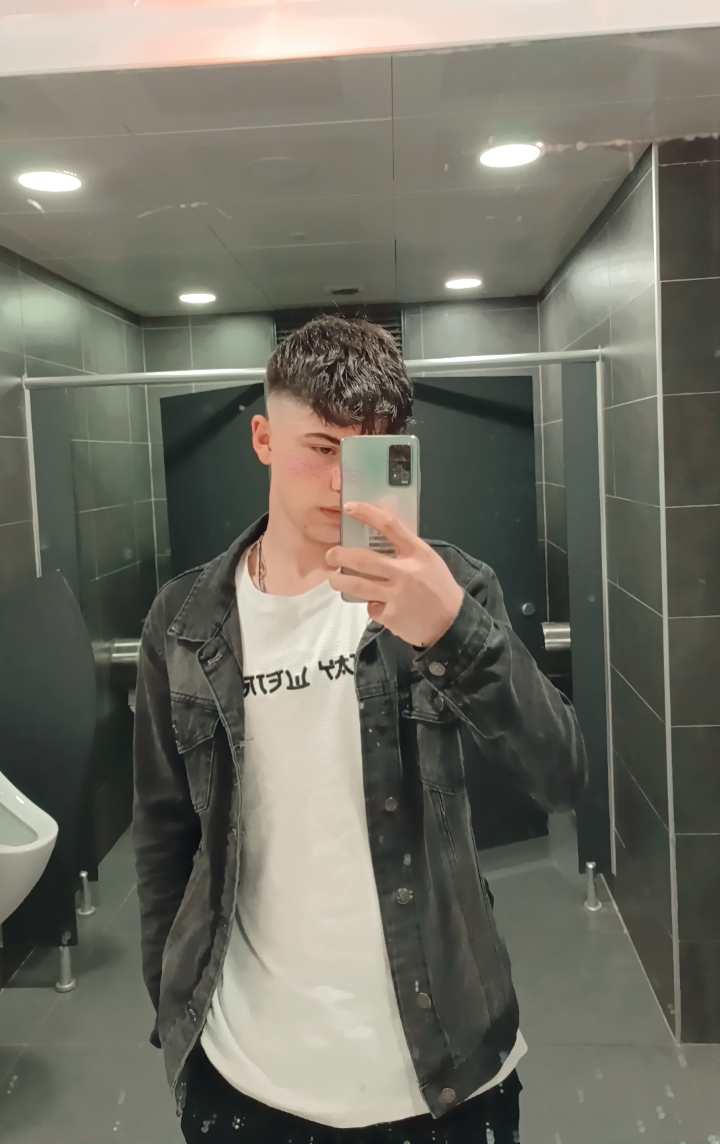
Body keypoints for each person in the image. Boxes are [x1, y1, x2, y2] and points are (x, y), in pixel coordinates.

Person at [132, 316, 587, 1144]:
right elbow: (164, 832)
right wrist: (171, 1006)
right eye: (320, 447)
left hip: (444, 1067)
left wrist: (451, 631)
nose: (343, 481)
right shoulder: (184, 621)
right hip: (243, 1073)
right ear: (264, 440)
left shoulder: (450, 588)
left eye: (370, 453)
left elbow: (560, 777)